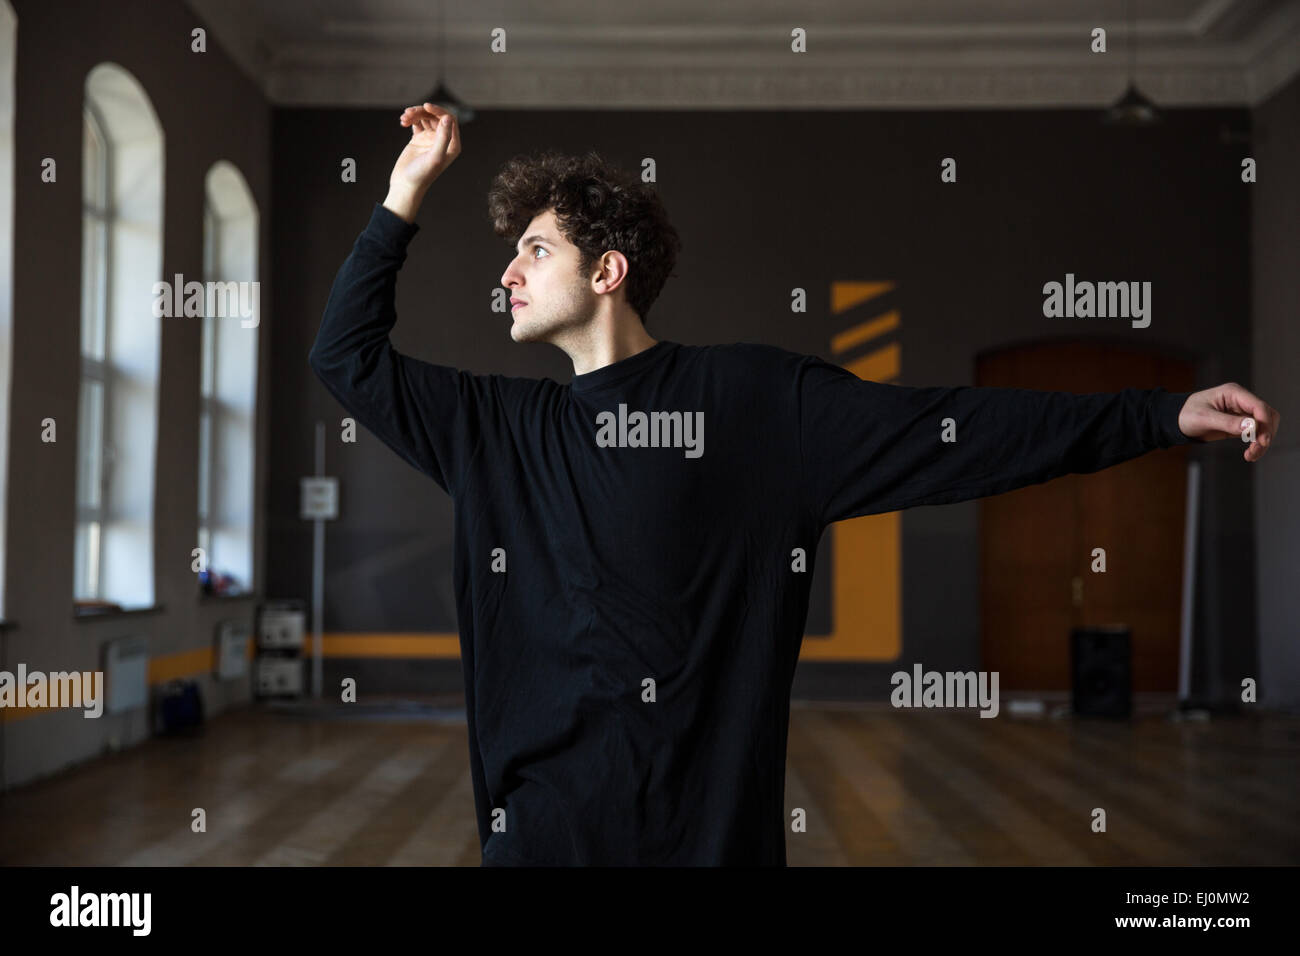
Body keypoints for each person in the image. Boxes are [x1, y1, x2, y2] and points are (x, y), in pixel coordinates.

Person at [308, 103, 1281, 866]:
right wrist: (404, 191)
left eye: (533, 249)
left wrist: (1157, 413)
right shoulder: (498, 431)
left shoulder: (754, 402)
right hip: (539, 835)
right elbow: (344, 356)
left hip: (705, 839)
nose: (507, 272)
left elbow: (952, 430)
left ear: (607, 270)